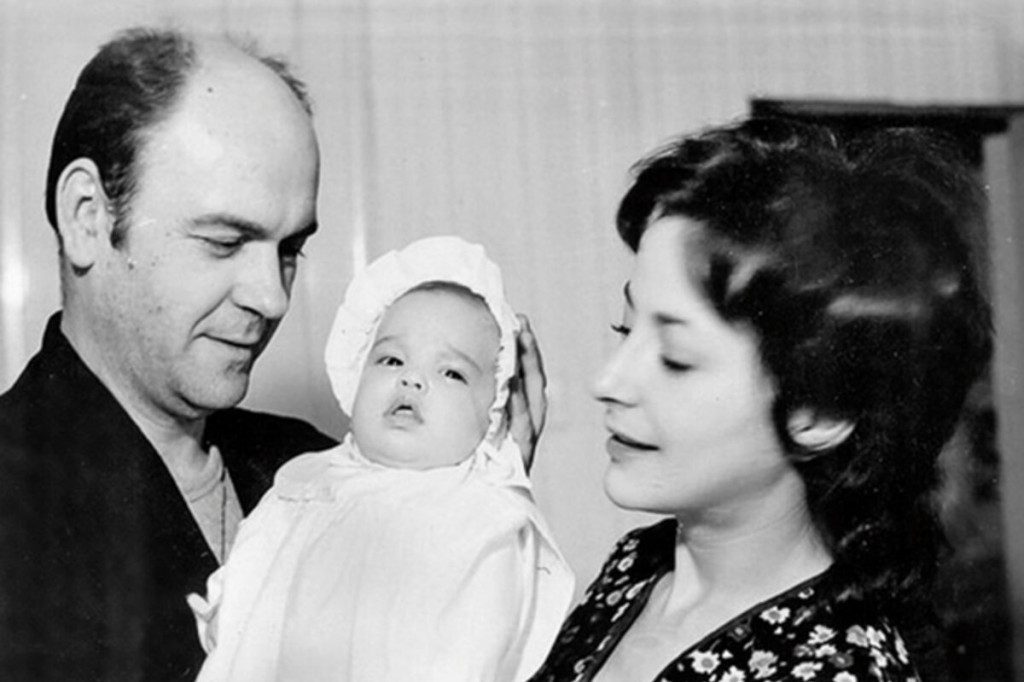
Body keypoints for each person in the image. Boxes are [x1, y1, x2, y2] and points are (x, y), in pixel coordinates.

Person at [529, 117, 993, 681]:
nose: (609, 381)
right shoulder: (640, 566)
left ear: (820, 410)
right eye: (626, 330)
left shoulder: (838, 671)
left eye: (676, 356)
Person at [0, 26, 336, 681]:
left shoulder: (321, 470)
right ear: (88, 216)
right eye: (223, 242)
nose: (272, 298)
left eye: (290, 249)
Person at [188, 236, 574, 682]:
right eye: (391, 360)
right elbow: (257, 558)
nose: (411, 379)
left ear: (495, 414)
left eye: (451, 372)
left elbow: (479, 647)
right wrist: (228, 612)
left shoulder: (484, 516)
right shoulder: (308, 481)